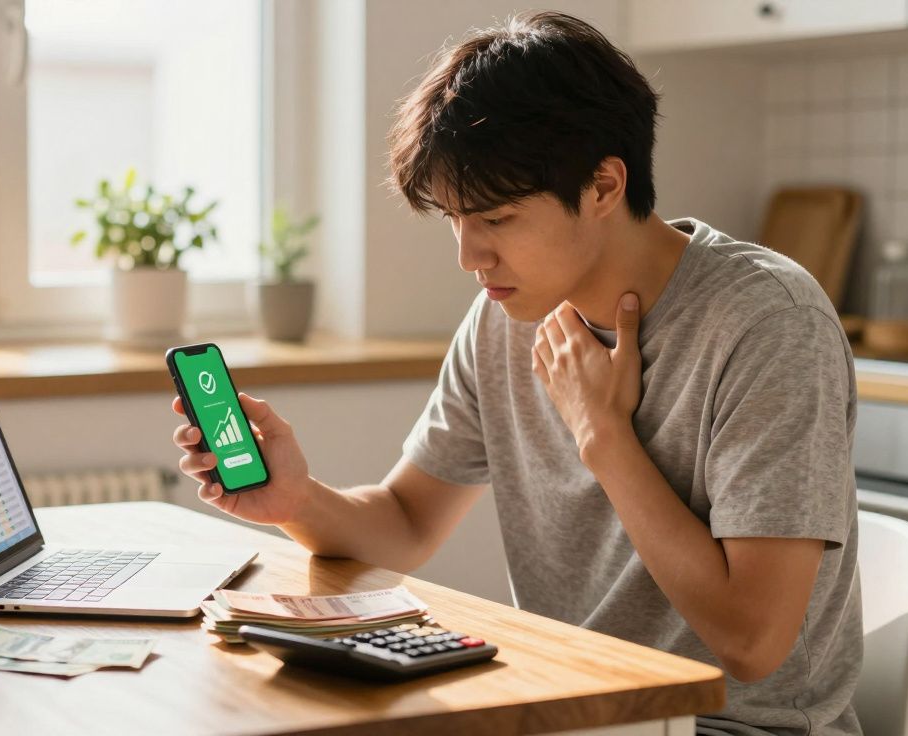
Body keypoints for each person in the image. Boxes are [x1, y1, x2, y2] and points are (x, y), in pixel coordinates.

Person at [170, 11, 861, 735]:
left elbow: (753, 643)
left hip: (723, 725)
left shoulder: (769, 323)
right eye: (453, 219)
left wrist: (603, 435)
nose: (470, 256)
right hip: (562, 706)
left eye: (495, 219)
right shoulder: (504, 316)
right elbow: (406, 523)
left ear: (602, 186)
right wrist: (295, 500)